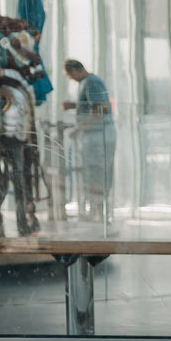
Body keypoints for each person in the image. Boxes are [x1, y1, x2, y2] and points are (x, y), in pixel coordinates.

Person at [64, 58, 115, 225]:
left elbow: (101, 108)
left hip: (98, 138)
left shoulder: (91, 82)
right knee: (93, 173)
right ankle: (96, 210)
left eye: (70, 75)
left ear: (76, 71)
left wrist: (80, 128)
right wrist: (74, 106)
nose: (71, 79)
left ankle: (99, 211)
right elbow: (93, 105)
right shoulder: (88, 82)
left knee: (97, 173)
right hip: (95, 138)